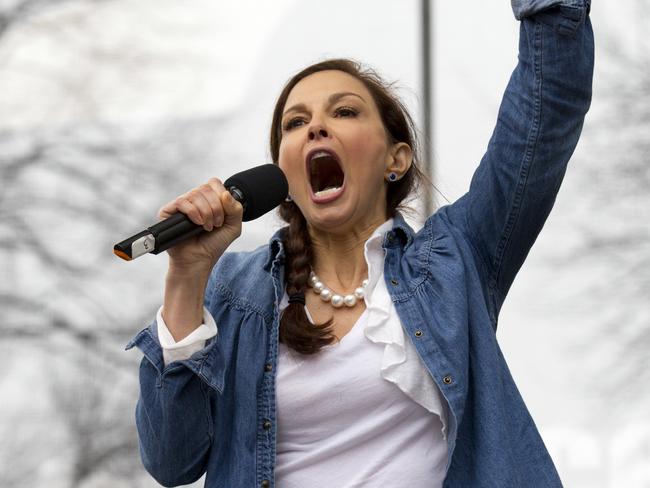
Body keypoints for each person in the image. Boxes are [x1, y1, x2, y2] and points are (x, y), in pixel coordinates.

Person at [126, 2, 594, 486]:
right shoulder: (233, 292)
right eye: (294, 123)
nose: (315, 128)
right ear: (283, 173)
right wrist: (186, 276)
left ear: (396, 158)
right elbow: (170, 459)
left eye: (345, 111)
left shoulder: (456, 260)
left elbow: (546, 111)